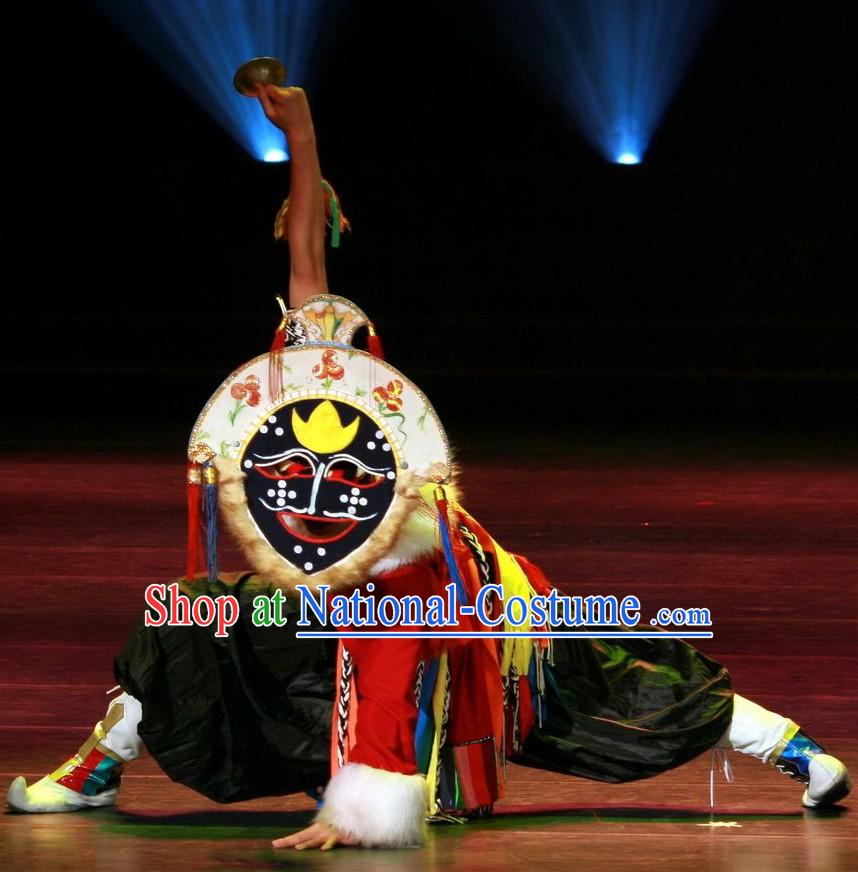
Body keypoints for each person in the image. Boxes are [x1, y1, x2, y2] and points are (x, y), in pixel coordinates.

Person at [7, 86, 851, 851]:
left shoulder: (396, 531)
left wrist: (355, 812)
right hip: (333, 582)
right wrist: (301, 133)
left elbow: (386, 670)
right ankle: (95, 770)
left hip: (451, 585)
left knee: (590, 678)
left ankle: (793, 748)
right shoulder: (310, 391)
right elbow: (304, 253)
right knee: (190, 631)